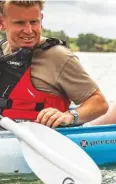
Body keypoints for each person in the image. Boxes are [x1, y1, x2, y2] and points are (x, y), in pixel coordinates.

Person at [0, 0, 108, 128]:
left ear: (41, 19)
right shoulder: (2, 51)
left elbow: (100, 103)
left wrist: (69, 116)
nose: (29, 30)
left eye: (34, 22)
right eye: (19, 23)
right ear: (2, 23)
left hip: (44, 139)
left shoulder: (59, 56)